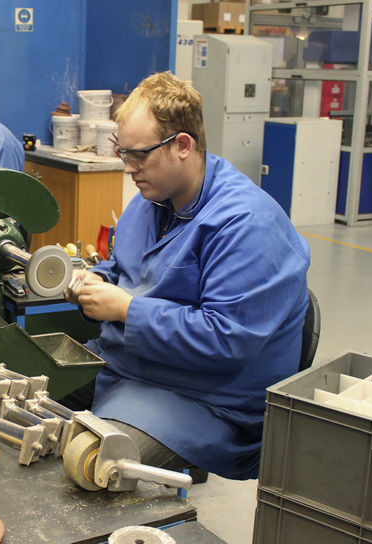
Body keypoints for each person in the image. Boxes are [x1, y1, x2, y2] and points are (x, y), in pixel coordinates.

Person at [63, 71, 310, 480]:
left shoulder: (247, 224)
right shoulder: (151, 199)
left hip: (206, 399)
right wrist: (98, 284)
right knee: (31, 394)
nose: (128, 168)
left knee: (91, 463)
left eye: (138, 155)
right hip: (131, 366)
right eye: (122, 153)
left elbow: (226, 339)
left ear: (182, 145)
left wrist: (127, 309)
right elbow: (127, 268)